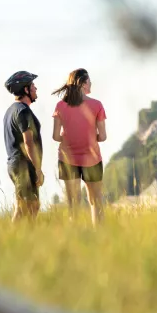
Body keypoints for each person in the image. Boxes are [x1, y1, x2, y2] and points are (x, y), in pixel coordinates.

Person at [51, 68, 106, 225]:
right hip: (93, 159)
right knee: (96, 201)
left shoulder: (60, 106)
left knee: (73, 205)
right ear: (82, 83)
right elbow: (102, 136)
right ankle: (100, 236)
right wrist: (89, 137)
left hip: (67, 159)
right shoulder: (97, 105)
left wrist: (70, 137)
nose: (91, 84)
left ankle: (73, 238)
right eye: (89, 81)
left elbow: (55, 136)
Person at [3, 70, 44, 222]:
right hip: (23, 164)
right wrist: (38, 169)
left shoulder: (11, 111)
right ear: (25, 90)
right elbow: (28, 142)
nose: (35, 88)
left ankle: (27, 237)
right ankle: (13, 240)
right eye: (32, 85)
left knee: (31, 206)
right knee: (25, 207)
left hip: (18, 163)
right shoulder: (22, 111)